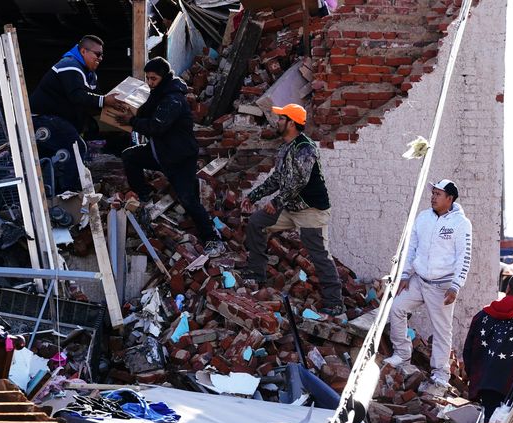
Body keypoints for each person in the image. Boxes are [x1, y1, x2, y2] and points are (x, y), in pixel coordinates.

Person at [114, 57, 225, 257]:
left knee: (188, 199)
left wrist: (131, 120)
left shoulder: (173, 99)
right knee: (130, 156)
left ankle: (213, 239)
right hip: (161, 152)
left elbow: (157, 126)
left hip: (180, 158)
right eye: (147, 78)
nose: (150, 82)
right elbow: (146, 112)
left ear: (164, 77)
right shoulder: (158, 94)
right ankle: (145, 194)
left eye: (154, 78)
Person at [240, 104, 345, 316]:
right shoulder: (286, 147)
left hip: (310, 210)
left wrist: (276, 202)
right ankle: (256, 273)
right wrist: (254, 195)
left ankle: (335, 302)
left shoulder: (306, 148)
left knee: (319, 255)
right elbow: (278, 178)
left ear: (292, 123)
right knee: (257, 223)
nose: (277, 121)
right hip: (291, 207)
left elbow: (299, 182)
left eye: (281, 118)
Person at [385, 179, 473, 389]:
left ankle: (441, 373)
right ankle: (402, 353)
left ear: (449, 199)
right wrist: (405, 275)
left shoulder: (461, 224)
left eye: (438, 194)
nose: (433, 197)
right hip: (418, 280)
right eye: (433, 193)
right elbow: (411, 247)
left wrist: (456, 285)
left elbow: (464, 256)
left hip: (442, 286)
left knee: (442, 330)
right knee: (396, 307)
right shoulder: (423, 218)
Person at [29, 35, 124, 194]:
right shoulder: (69, 66)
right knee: (75, 147)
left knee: (56, 155)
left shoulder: (90, 75)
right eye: (97, 54)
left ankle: (53, 193)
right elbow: (77, 96)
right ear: (83, 51)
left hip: (55, 119)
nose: (100, 58)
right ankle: (70, 194)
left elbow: (94, 99)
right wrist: (104, 101)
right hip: (41, 118)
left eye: (102, 55)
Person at [463, 274, 513, 421]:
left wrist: (473, 376)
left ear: (507, 289)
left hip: (486, 381)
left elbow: (468, 350)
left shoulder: (482, 315)